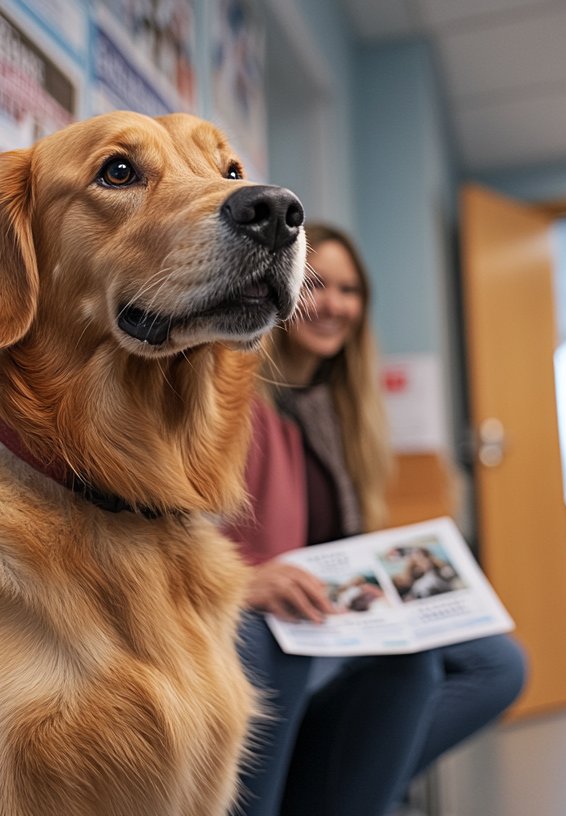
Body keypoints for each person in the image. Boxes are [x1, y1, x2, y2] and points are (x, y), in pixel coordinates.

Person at [225, 224, 528, 816]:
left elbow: (340, 538)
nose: (333, 304)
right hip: (252, 613)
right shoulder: (237, 397)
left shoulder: (341, 410)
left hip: (326, 607)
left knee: (498, 664)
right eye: (315, 284)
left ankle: (337, 788)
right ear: (281, 286)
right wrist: (244, 582)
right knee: (303, 644)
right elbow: (176, 532)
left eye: (349, 290)